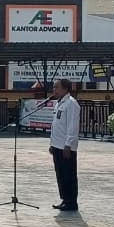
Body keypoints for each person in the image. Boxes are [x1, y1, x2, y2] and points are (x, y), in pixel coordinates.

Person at [49, 78, 82, 212]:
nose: (54, 90)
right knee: (60, 174)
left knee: (69, 175)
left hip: (66, 147)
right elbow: (56, 126)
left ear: (65, 89)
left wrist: (68, 145)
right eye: (54, 87)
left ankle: (71, 202)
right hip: (57, 145)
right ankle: (64, 199)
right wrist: (52, 143)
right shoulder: (59, 103)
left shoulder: (71, 103)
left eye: (57, 87)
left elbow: (72, 127)